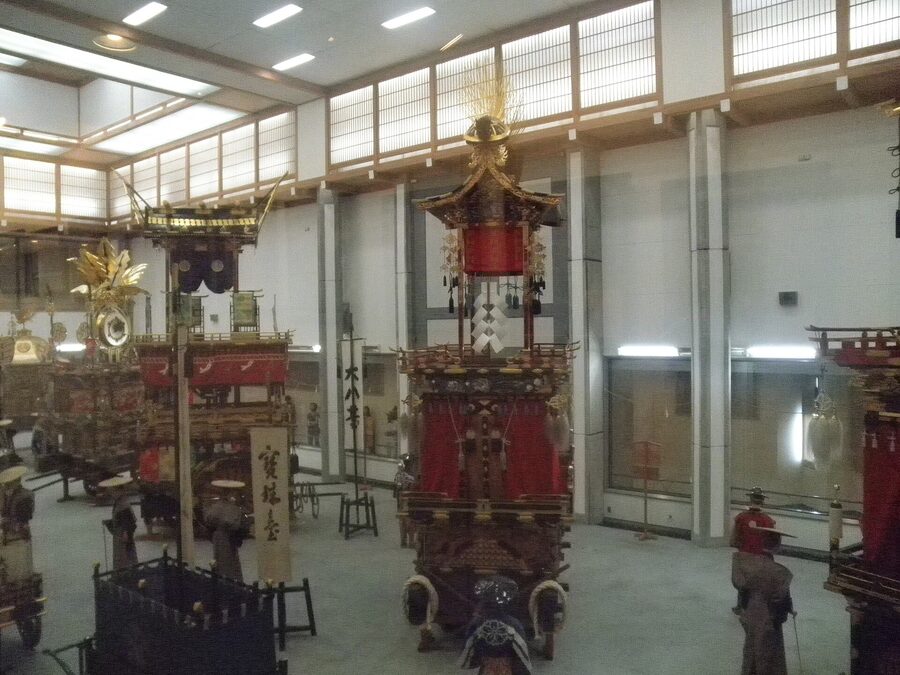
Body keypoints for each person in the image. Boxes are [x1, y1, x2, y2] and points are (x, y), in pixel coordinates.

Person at [732, 525, 796, 675]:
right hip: (768, 615)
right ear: (777, 547)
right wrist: (788, 609)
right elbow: (780, 598)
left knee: (751, 647)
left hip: (750, 611)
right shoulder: (779, 572)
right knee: (768, 651)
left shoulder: (746, 563)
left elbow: (741, 588)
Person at [731, 487, 776, 612]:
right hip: (761, 556)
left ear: (750, 499)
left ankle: (741, 606)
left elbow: (734, 539)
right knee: (759, 582)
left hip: (744, 554)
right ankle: (755, 608)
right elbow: (773, 541)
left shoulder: (741, 517)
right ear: (762, 501)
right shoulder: (768, 520)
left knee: (743, 580)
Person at [205, 480, 249, 582]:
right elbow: (235, 524)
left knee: (221, 558)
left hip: (219, 535)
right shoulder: (234, 508)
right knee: (230, 559)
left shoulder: (216, 506)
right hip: (227, 535)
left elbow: (209, 519)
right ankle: (231, 579)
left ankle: (222, 578)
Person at [99, 475, 138, 570]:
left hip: (122, 535)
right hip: (120, 534)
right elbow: (120, 518)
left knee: (124, 555)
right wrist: (109, 522)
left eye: (112, 491)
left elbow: (127, 520)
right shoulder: (119, 501)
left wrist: (125, 532)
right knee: (122, 555)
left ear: (118, 491)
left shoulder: (123, 504)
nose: (111, 493)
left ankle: (126, 573)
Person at [0, 465, 34, 543]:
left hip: (19, 527)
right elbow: (4, 512)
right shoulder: (7, 494)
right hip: (13, 525)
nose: (5, 486)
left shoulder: (24, 496)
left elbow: (25, 516)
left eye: (7, 484)